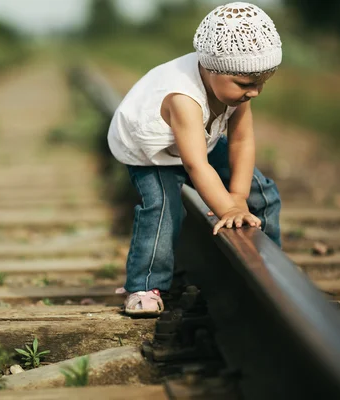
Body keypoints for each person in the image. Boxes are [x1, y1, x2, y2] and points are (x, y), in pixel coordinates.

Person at [108, 2, 283, 316]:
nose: (254, 92)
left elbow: (241, 141)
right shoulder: (183, 97)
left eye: (261, 84)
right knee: (162, 208)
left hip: (196, 141)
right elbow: (195, 164)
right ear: (212, 68)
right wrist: (227, 206)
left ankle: (270, 266)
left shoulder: (236, 86)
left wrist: (240, 195)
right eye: (246, 85)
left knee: (262, 189)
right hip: (153, 152)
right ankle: (144, 285)